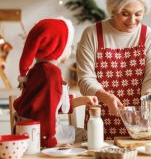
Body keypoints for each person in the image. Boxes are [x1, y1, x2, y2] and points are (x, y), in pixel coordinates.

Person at [76, 0, 151, 139]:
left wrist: (148, 106)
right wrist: (106, 97)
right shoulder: (92, 34)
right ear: (113, 9)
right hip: (100, 120)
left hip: (142, 122)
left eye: (138, 14)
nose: (132, 21)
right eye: (125, 13)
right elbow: (85, 79)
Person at [14, 18, 98, 148]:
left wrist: (83, 100)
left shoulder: (38, 70)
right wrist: (49, 140)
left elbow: (53, 104)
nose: (70, 49)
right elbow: (46, 112)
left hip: (30, 130)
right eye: (69, 45)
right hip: (41, 133)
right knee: (88, 135)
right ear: (58, 48)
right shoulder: (51, 74)